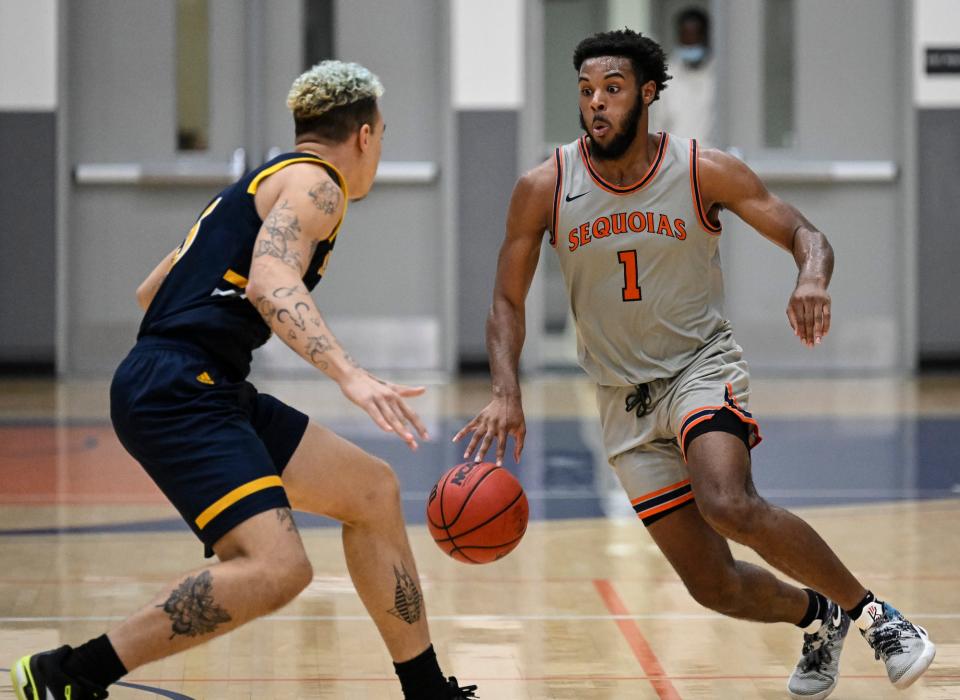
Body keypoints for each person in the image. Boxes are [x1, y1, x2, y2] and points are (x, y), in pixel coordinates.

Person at [454, 29, 934, 699]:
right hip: (621, 398)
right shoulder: (545, 185)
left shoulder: (703, 169)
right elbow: (506, 301)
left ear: (648, 95)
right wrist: (506, 389)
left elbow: (805, 233)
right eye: (587, 92)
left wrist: (811, 279)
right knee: (715, 587)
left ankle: (877, 616)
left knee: (727, 502)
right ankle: (817, 616)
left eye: (613, 90)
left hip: (699, 367)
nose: (596, 105)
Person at [12, 61, 478, 700]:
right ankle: (67, 674)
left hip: (195, 379)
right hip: (180, 388)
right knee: (278, 568)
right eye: (384, 135)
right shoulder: (321, 185)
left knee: (371, 491)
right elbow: (270, 281)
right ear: (366, 136)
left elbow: (153, 291)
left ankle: (428, 691)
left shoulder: (257, 184)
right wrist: (350, 373)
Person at [652, 7, 717, 146]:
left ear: (706, 37)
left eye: (695, 36)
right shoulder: (666, 75)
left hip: (713, 157)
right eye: (686, 36)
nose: (690, 42)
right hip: (677, 159)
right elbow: (659, 124)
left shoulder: (719, 75)